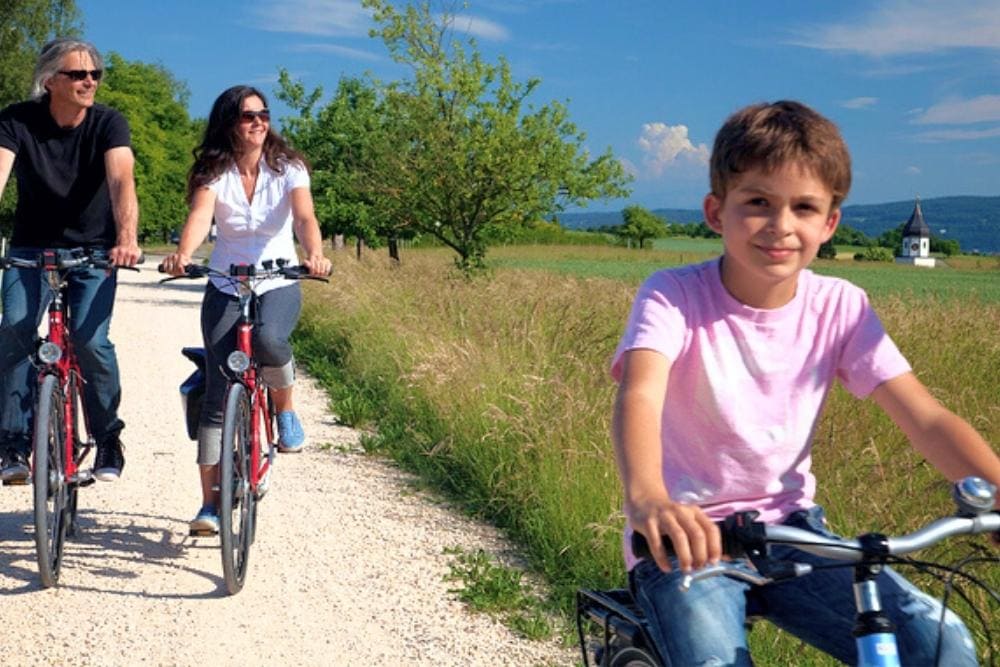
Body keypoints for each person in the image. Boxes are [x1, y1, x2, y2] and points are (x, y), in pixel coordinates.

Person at [611, 100, 1000, 666]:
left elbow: (924, 416)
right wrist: (648, 497)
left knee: (941, 643)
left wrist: (994, 484)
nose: (781, 225)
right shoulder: (673, 294)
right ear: (716, 212)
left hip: (795, 532)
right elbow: (640, 391)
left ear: (829, 223)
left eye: (804, 207)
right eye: (758, 203)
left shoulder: (840, 306)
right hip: (686, 536)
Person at [160, 85, 331, 534]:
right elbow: (201, 216)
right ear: (228, 124)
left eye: (263, 114)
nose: (258, 122)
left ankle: (286, 410)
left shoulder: (288, 167)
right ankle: (210, 505)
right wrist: (182, 254)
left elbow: (305, 217)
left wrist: (314, 253)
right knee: (217, 395)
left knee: (271, 340)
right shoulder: (213, 171)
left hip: (277, 278)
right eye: (247, 116)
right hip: (225, 280)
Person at [0, 38, 141, 483]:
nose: (89, 81)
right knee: (16, 331)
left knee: (90, 341)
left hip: (95, 251)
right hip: (30, 249)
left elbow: (121, 179)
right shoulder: (16, 121)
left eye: (95, 74)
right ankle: (13, 445)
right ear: (49, 81)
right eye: (77, 74)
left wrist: (127, 237)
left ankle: (107, 439)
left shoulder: (108, 124)